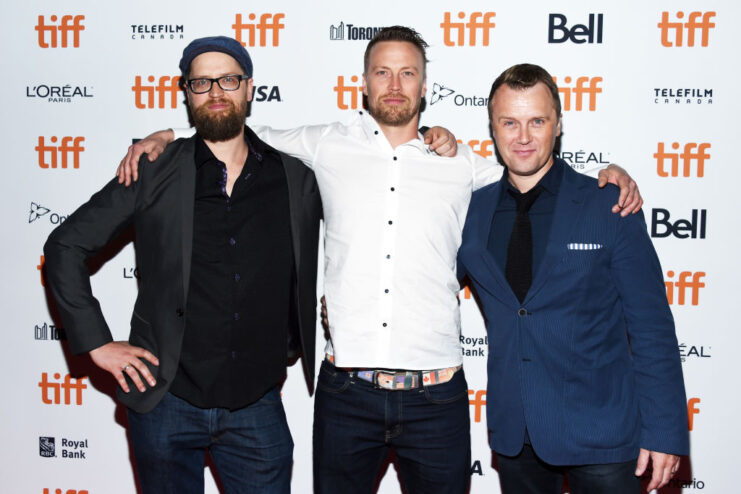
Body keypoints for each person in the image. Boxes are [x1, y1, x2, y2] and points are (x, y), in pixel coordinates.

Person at [118, 27, 642, 494]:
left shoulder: (461, 162)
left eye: (407, 72)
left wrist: (609, 174)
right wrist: (166, 137)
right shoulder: (323, 145)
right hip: (348, 394)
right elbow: (230, 137)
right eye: (382, 72)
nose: (395, 84)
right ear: (363, 84)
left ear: (424, 86)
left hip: (436, 399)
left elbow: (536, 168)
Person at [43, 36, 322, 493]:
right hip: (165, 401)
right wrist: (95, 342)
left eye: (228, 79)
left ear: (249, 89)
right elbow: (64, 245)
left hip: (257, 405)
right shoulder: (153, 170)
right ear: (186, 93)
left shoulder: (295, 177)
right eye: (201, 82)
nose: (216, 91)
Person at [457, 63, 688, 494]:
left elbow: (652, 327)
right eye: (509, 122)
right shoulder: (472, 211)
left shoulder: (609, 205)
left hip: (603, 433)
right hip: (515, 434)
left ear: (558, 125)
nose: (523, 137)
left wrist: (664, 432)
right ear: (492, 127)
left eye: (537, 121)